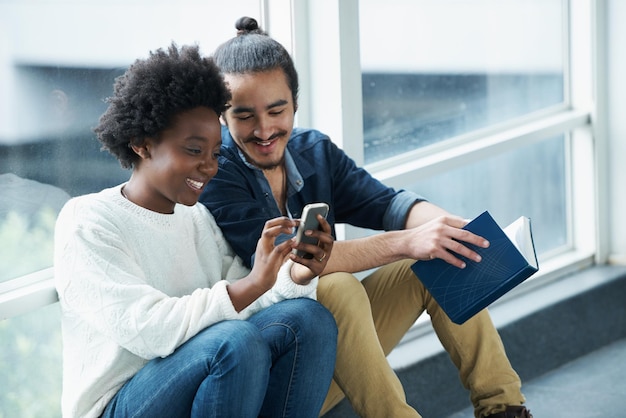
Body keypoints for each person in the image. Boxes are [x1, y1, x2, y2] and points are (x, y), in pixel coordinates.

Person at [199, 17, 533, 418]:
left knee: (440, 256)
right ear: (222, 115)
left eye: (276, 110)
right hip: (274, 378)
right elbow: (292, 267)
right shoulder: (214, 174)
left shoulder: (314, 151)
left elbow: (389, 204)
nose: (265, 129)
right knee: (335, 285)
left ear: (295, 105)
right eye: (244, 116)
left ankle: (505, 409)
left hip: (339, 357)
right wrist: (408, 241)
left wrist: (464, 234)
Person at [54, 42, 338, 418]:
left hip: (193, 381)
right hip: (118, 404)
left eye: (215, 153)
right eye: (193, 150)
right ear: (142, 144)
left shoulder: (196, 219)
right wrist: (250, 285)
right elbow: (152, 329)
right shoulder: (88, 221)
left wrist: (292, 274)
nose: (209, 167)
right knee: (233, 342)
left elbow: (245, 297)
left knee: (307, 319)